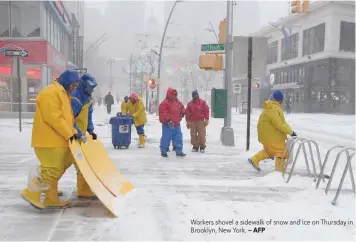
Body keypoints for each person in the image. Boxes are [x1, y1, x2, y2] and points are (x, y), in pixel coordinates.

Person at [21, 70, 81, 209]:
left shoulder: (63, 93)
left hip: (58, 140)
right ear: (67, 82)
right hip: (48, 140)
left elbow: (67, 119)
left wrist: (73, 133)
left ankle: (51, 198)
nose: (75, 88)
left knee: (60, 167)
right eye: (73, 85)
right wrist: (69, 133)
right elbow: (53, 117)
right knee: (52, 170)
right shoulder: (50, 93)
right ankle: (31, 192)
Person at [248, 90, 297, 173]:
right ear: (278, 100)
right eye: (282, 99)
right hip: (270, 136)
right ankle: (279, 172)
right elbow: (280, 124)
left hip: (267, 135)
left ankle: (254, 160)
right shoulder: (273, 108)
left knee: (270, 151)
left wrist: (290, 131)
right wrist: (291, 132)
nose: (282, 101)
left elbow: (282, 123)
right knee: (282, 152)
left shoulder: (271, 106)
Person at [70, 73, 98, 199]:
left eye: (92, 88)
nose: (91, 90)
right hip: (72, 136)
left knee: (83, 164)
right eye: (90, 88)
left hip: (80, 137)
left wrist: (90, 130)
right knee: (60, 165)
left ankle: (84, 190)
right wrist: (79, 134)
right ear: (84, 86)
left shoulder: (87, 98)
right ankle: (48, 188)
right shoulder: (75, 98)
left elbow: (88, 115)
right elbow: (70, 119)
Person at [159, 88, 186, 157]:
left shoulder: (177, 102)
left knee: (178, 137)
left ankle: (179, 151)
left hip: (176, 123)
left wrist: (183, 111)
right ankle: (163, 151)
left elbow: (182, 107)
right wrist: (168, 120)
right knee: (166, 137)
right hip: (168, 124)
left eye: (175, 95)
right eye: (173, 94)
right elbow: (163, 113)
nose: (174, 96)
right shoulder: (164, 103)